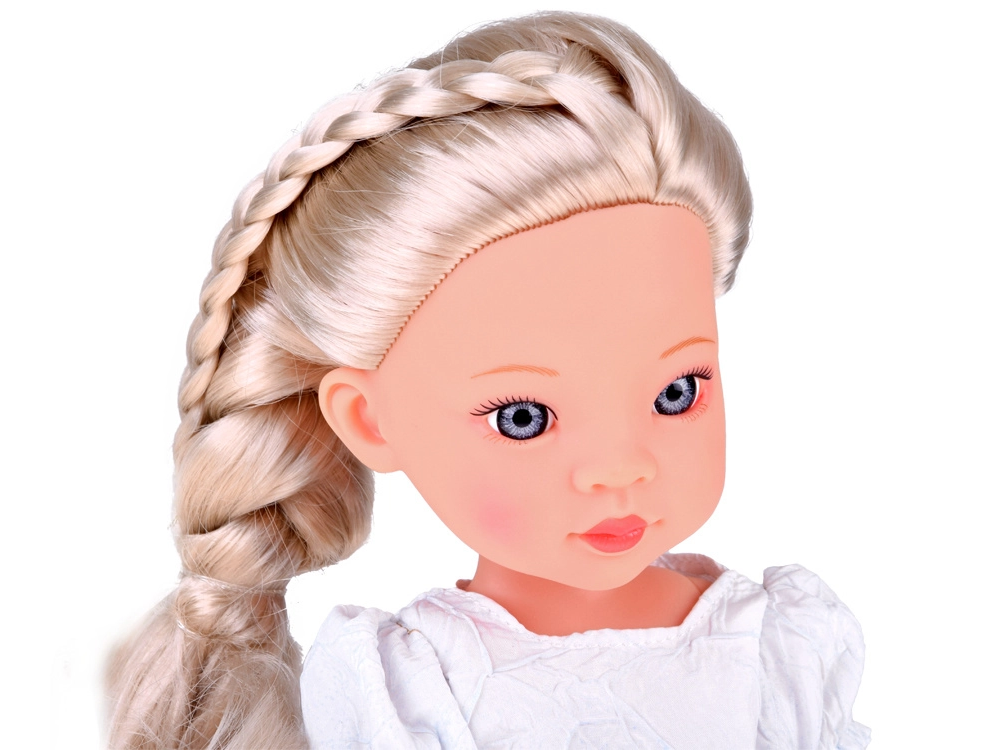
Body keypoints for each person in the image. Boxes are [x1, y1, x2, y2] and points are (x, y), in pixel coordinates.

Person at [107, 11, 868, 749]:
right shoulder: (410, 688)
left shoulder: (776, 652)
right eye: (523, 417)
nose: (620, 467)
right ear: (370, 420)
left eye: (677, 393)